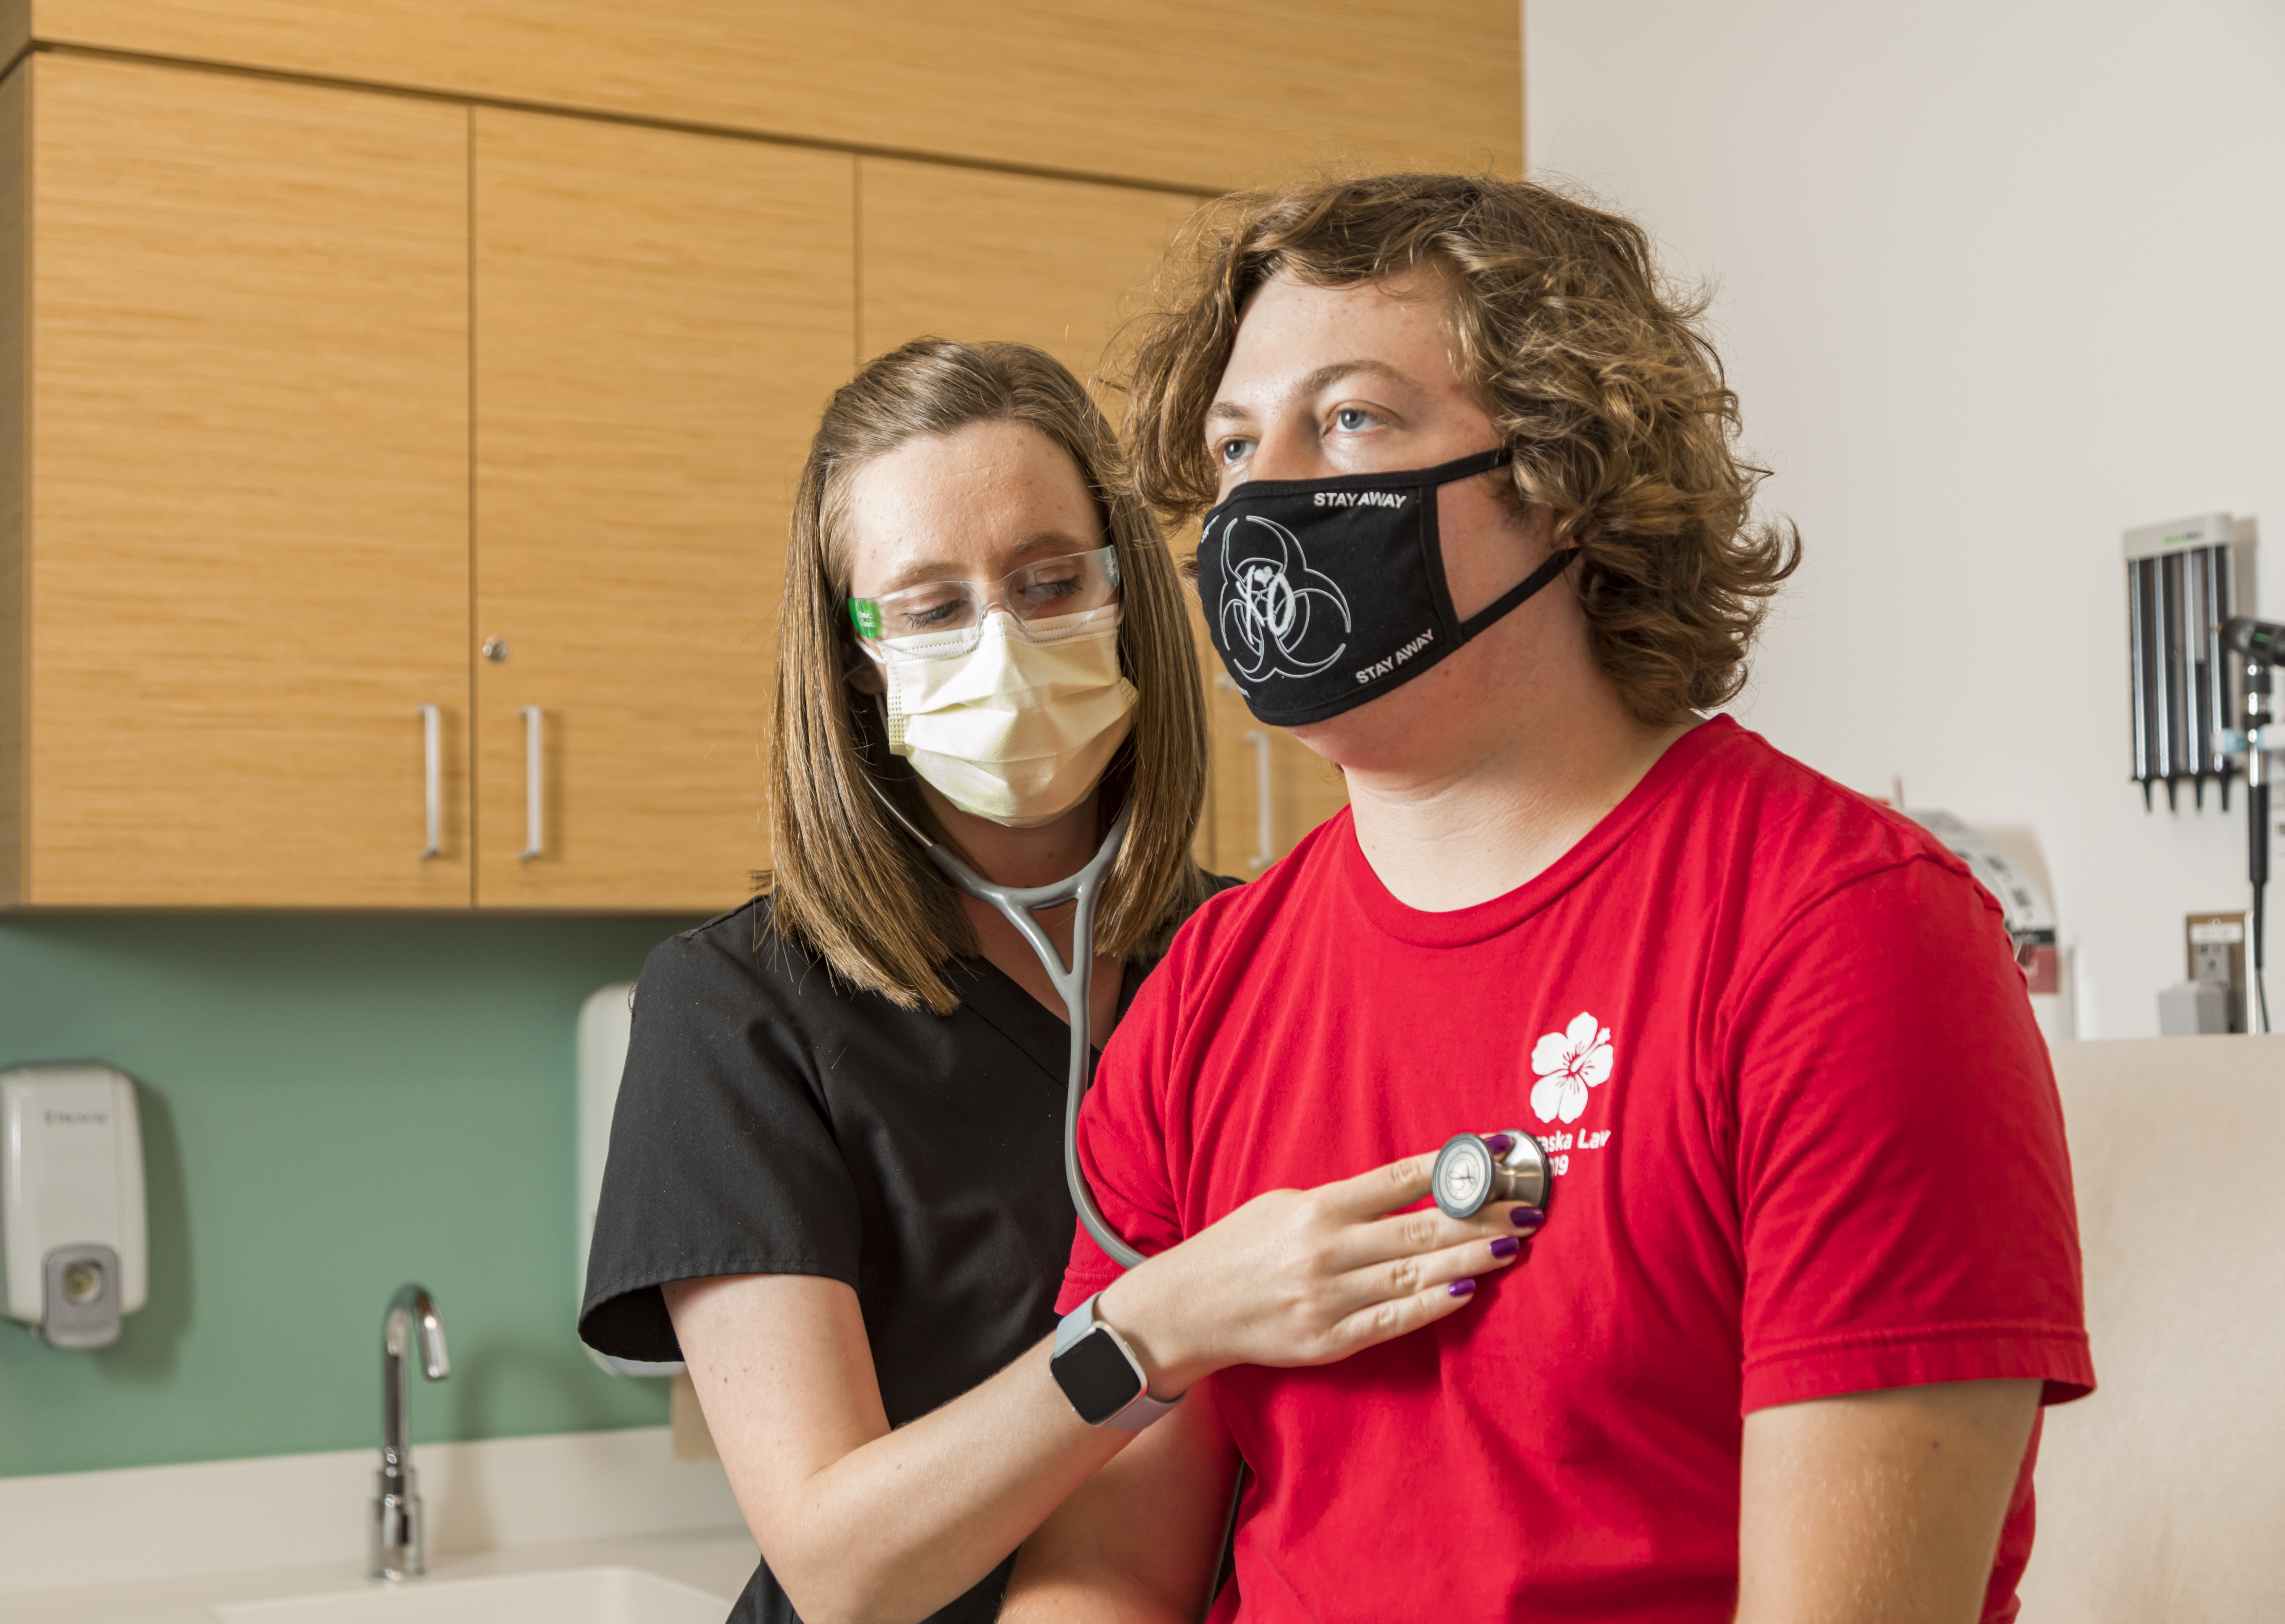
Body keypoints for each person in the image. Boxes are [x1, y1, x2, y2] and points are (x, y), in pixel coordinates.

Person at [1001, 177, 2095, 1624]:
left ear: (1566, 473)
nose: (1265, 500)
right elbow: (1105, 1582)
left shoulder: (1846, 937)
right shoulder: (1208, 994)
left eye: (1349, 421)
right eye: (1233, 445)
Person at [580, 339, 1543, 1624]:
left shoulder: (1258, 957)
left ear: (1126, 591)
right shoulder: (739, 1012)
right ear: (856, 660)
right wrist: (1156, 1327)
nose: (1004, 642)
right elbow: (842, 1567)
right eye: (929, 607)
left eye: (1048, 583)